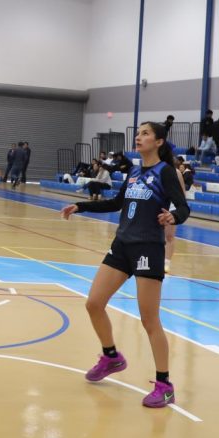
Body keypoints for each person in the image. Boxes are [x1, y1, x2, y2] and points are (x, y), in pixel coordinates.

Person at [60, 121, 189, 409]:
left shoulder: (166, 172)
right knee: (94, 303)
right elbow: (116, 203)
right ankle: (111, 357)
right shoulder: (134, 171)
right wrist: (81, 206)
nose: (139, 137)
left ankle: (165, 386)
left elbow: (183, 207)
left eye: (145, 133)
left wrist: (173, 217)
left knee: (149, 320)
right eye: (138, 133)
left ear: (158, 141)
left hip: (148, 248)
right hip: (122, 245)